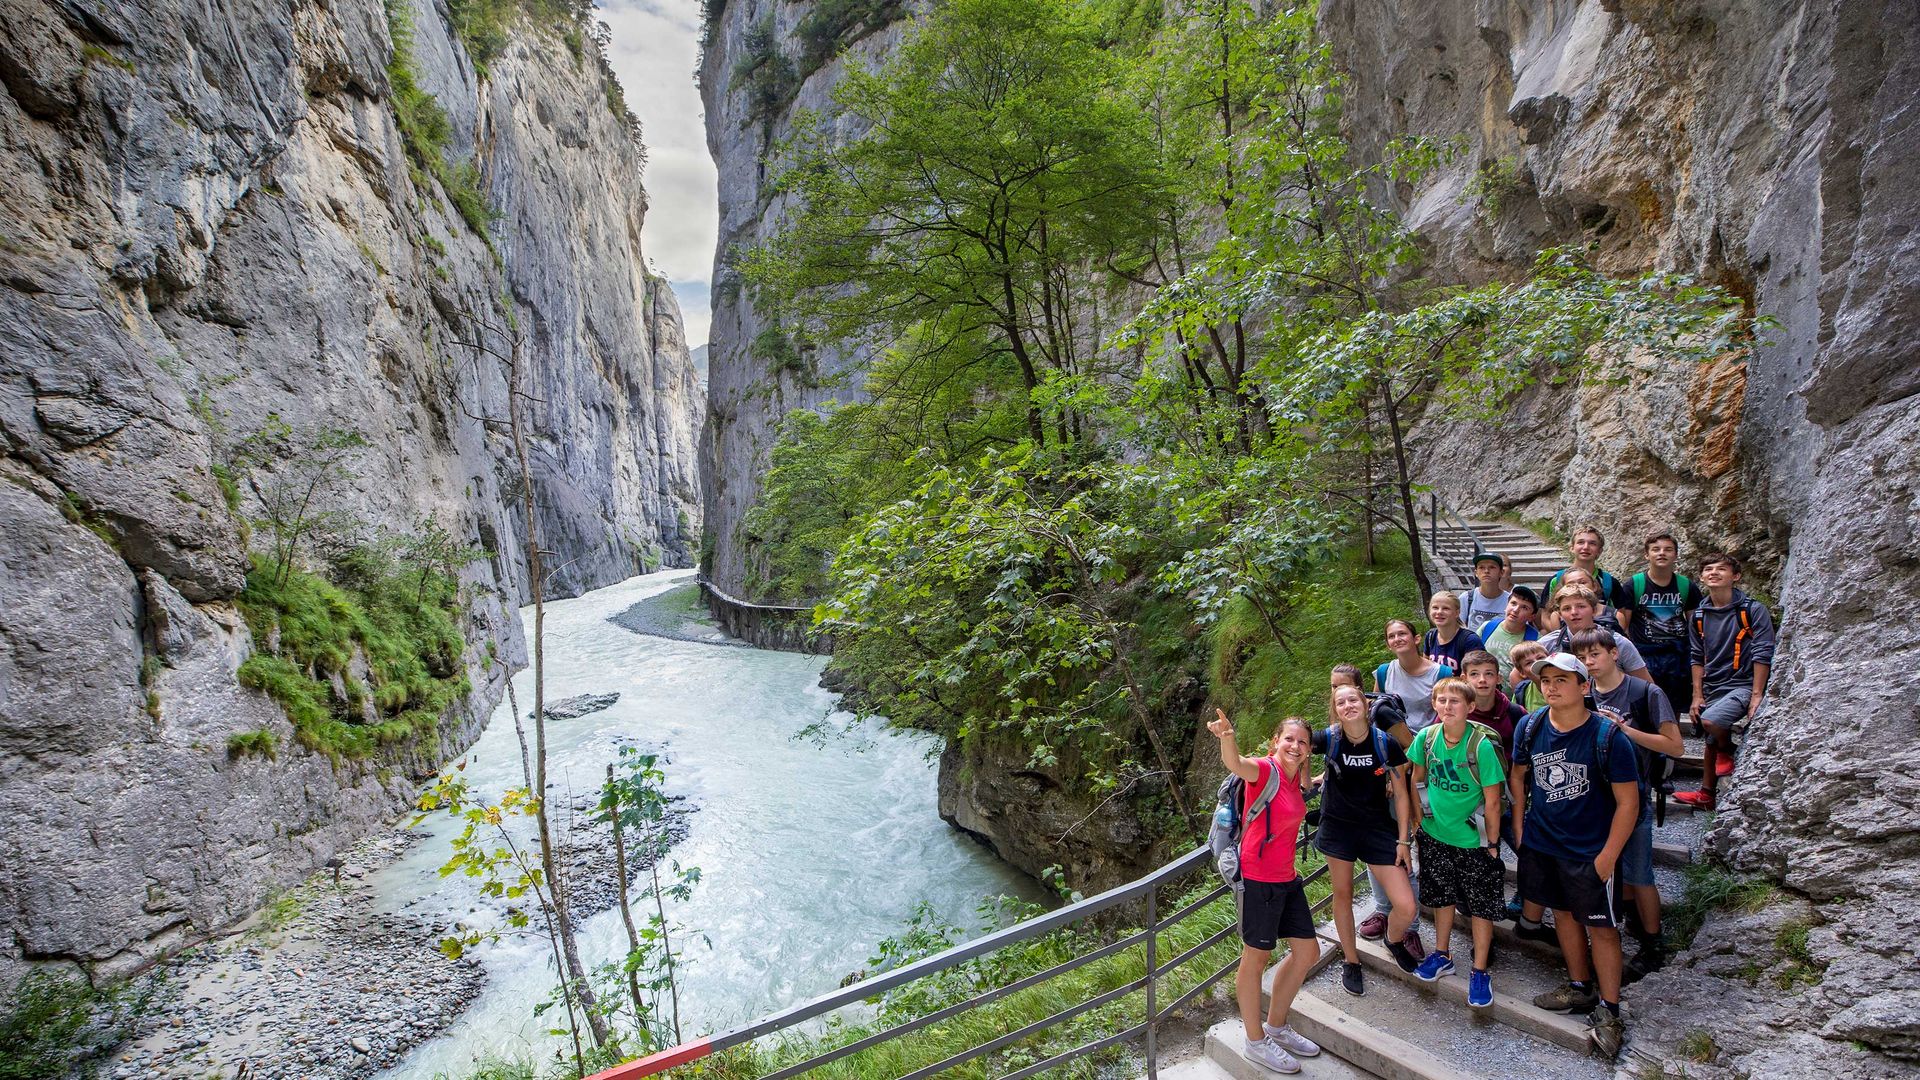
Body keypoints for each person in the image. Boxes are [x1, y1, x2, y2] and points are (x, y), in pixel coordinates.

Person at [1508, 654, 1640, 1059]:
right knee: (1562, 915)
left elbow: (1628, 803)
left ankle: (1610, 1009)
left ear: (1584, 686)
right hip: (1545, 844)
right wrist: (1519, 827)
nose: (1550, 686)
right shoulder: (1530, 726)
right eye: (1545, 679)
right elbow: (1518, 775)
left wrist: (1608, 857)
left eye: (1561, 679)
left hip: (1590, 849)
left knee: (1601, 929)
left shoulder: (1608, 737)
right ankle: (1580, 987)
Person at [1207, 709, 1325, 1074]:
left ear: (1308, 751)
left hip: (1287, 878)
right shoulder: (1265, 770)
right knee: (1254, 959)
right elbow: (1237, 763)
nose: (1295, 745)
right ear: (1276, 741)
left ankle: (1276, 1026)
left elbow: (1304, 791)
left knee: (1307, 952)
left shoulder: (1294, 779)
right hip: (1257, 879)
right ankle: (1256, 1042)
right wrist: (1228, 736)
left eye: (1302, 742)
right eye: (1288, 739)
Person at [1571, 628, 1684, 981]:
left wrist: (1624, 730)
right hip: (1594, 799)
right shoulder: (1582, 693)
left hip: (1634, 795)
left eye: (1596, 654)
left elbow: (1675, 746)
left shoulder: (1645, 693)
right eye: (1584, 657)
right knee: (1605, 872)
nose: (1590, 662)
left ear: (1615, 653)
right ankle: (1614, 933)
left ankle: (1653, 944)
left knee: (1638, 873)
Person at [1314, 684, 1423, 996]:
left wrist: (1404, 841)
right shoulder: (1329, 738)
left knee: (1405, 904)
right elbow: (1291, 749)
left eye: (1353, 700)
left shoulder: (1384, 742)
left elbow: (1401, 794)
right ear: (1335, 710)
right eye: (1341, 702)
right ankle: (1351, 960)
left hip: (1377, 828)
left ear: (1364, 704)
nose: (1348, 706)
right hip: (1338, 828)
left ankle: (1394, 938)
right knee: (1343, 894)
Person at [1407, 678, 1508, 1009]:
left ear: (1470, 707)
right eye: (1441, 700)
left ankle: (1479, 970)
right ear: (1433, 704)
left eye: (1455, 701)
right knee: (1440, 896)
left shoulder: (1480, 746)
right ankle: (1442, 953)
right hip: (1436, 835)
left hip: (1472, 839)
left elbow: (1493, 800)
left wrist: (1491, 843)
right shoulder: (1426, 737)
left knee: (1480, 906)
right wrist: (1419, 820)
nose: (1447, 706)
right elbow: (1416, 776)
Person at [1674, 553, 1776, 810]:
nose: (1714, 573)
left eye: (1722, 569)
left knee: (1712, 721)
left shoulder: (1752, 610)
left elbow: (1763, 651)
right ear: (1701, 576)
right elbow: (1696, 656)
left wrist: (1756, 694)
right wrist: (1697, 695)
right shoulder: (1698, 615)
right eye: (1708, 569)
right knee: (1708, 735)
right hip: (1712, 685)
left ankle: (1726, 748)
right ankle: (1707, 794)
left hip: (1742, 684)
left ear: (1736, 576)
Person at [1626, 532, 1705, 721]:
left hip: (1677, 658)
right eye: (1656, 549)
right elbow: (1624, 622)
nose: (1662, 553)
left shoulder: (1687, 586)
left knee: (1673, 707)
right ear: (1647, 555)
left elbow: (1696, 625)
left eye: (1668, 549)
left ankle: (1670, 746)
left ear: (1676, 555)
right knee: (1643, 706)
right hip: (1644, 656)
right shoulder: (1634, 585)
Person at [1538, 586, 1652, 681]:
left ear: (1594, 610)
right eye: (1567, 608)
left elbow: (1647, 686)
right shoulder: (1548, 643)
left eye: (1581, 606)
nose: (1574, 612)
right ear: (1560, 615)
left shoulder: (1618, 642)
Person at [1539, 527, 1633, 632]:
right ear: (1572, 548)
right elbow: (1545, 616)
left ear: (1600, 551)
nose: (1586, 547)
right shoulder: (1556, 580)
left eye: (1592, 543)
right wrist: (1562, 634)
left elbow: (1621, 617)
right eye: (1580, 542)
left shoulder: (1610, 582)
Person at [1375, 619, 1453, 734]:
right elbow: (1377, 708)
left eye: (1402, 634)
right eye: (1391, 636)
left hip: (1430, 739)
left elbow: (1449, 711)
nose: (1397, 639)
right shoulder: (1383, 672)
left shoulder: (1440, 673)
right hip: (1395, 741)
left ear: (1416, 639)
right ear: (1388, 645)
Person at [1462, 650, 1526, 747]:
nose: (1482, 680)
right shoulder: (1452, 710)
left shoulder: (1516, 713)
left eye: (1489, 674)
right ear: (1464, 679)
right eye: (1474, 674)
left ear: (1499, 678)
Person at [1478, 586, 1542, 681]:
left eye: (1524, 607)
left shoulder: (1535, 639)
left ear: (1532, 617)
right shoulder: (1487, 627)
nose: (1515, 610)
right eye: (1513, 603)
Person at [1421, 593, 1485, 673]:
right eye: (1435, 608)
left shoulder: (1470, 641)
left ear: (1457, 613)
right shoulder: (1430, 636)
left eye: (1446, 608)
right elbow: (1425, 670)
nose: (1439, 612)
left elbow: (1474, 676)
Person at [1556, 568, 1627, 634]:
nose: (1577, 586)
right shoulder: (1558, 616)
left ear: (1594, 586)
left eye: (1582, 582)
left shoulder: (1616, 616)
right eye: (1571, 584)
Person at [1459, 552, 1511, 632]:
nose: (1486, 571)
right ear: (1476, 573)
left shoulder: (1510, 601)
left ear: (1501, 572)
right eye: (1481, 567)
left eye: (1492, 567)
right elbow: (1457, 628)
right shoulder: (1466, 598)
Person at [1508, 641, 1550, 712]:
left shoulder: (1567, 685)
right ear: (1522, 672)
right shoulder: (1522, 692)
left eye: (1540, 658)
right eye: (1529, 663)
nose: (1537, 663)